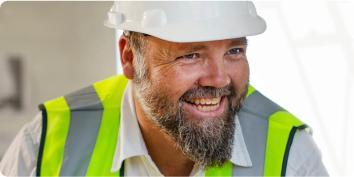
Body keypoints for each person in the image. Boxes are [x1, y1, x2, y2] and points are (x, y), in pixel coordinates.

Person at [0, 1, 328, 176]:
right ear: (130, 58)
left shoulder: (291, 158)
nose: (219, 79)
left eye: (234, 51)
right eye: (191, 55)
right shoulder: (44, 147)